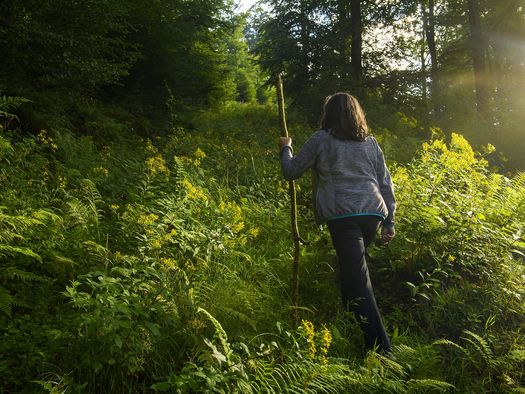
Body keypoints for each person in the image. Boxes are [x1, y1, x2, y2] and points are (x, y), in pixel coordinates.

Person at [279, 92, 395, 353]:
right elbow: (385, 183)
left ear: (328, 114)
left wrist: (286, 146)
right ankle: (348, 322)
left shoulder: (321, 139)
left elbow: (291, 171)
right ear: (357, 114)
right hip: (373, 214)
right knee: (351, 272)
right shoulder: (371, 143)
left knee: (358, 280)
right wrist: (389, 221)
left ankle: (381, 350)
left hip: (343, 216)